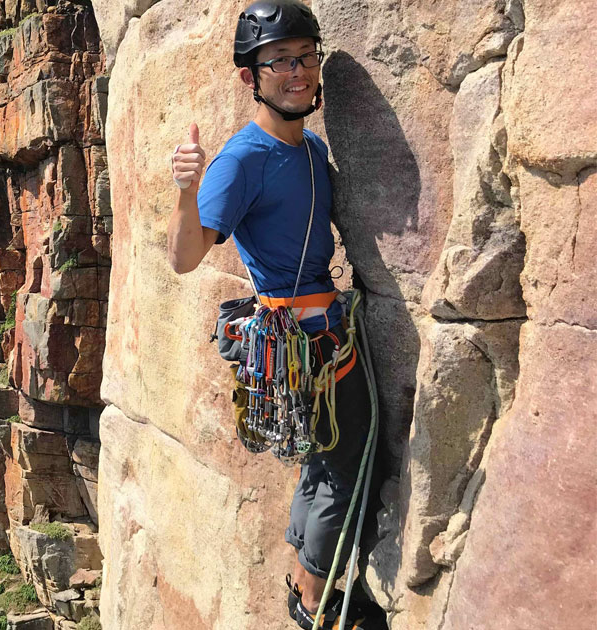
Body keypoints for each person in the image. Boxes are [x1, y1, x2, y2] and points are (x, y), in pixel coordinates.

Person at [166, 1, 386, 628]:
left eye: (307, 57)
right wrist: (186, 188)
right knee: (344, 456)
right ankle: (313, 600)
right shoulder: (241, 161)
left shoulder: (311, 148)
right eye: (281, 61)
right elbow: (184, 257)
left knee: (330, 452)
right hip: (298, 338)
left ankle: (301, 574)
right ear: (250, 77)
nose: (300, 72)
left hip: (324, 329)